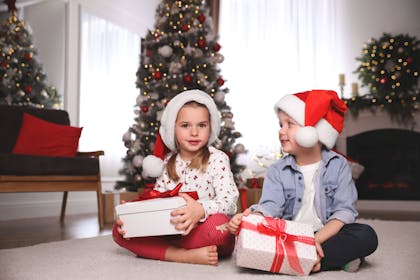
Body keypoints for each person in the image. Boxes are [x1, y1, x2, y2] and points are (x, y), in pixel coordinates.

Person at [228, 90, 378, 273]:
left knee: (366, 235)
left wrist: (314, 240)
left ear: (312, 131)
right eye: (280, 124)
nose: (281, 130)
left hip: (325, 235)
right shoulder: (277, 170)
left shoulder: (338, 166)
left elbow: (343, 212)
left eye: (289, 124)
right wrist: (250, 218)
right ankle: (329, 259)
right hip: (289, 236)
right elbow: (270, 206)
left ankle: (314, 260)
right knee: (256, 239)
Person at [113, 89, 239, 266]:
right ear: (173, 128)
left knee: (219, 227)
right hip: (172, 231)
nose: (194, 132)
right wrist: (136, 210)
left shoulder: (217, 158)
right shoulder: (166, 163)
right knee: (121, 230)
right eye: (185, 125)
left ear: (211, 128)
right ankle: (182, 255)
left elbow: (230, 201)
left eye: (201, 125)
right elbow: (156, 199)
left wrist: (200, 210)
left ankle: (161, 250)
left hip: (203, 231)